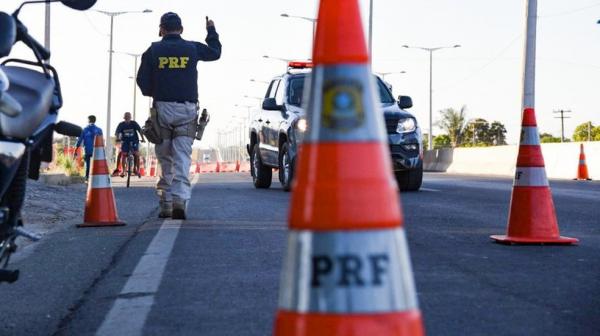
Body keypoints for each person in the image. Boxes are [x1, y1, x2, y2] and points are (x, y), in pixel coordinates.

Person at [137, 12, 221, 219]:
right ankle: (179, 200)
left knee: (165, 156)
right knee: (182, 157)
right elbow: (215, 52)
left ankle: (165, 203)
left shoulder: (153, 50)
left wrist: (156, 91)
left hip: (162, 110)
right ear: (181, 29)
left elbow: (142, 81)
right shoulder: (192, 47)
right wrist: (211, 30)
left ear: (161, 30)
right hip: (187, 109)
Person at [115, 112, 145, 178]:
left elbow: (140, 131)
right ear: (124, 118)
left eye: (128, 117)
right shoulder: (121, 124)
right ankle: (123, 170)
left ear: (130, 118)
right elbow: (117, 132)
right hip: (125, 141)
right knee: (123, 155)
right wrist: (117, 138)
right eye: (126, 117)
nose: (127, 118)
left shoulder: (134, 123)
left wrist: (143, 138)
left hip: (134, 141)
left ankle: (136, 169)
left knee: (136, 154)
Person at [74, 115, 103, 181]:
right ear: (95, 121)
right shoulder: (99, 130)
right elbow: (101, 142)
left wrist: (76, 149)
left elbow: (79, 140)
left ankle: (87, 177)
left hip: (87, 150)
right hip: (97, 151)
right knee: (96, 164)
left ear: (89, 120)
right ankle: (96, 178)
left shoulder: (85, 129)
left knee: (87, 164)